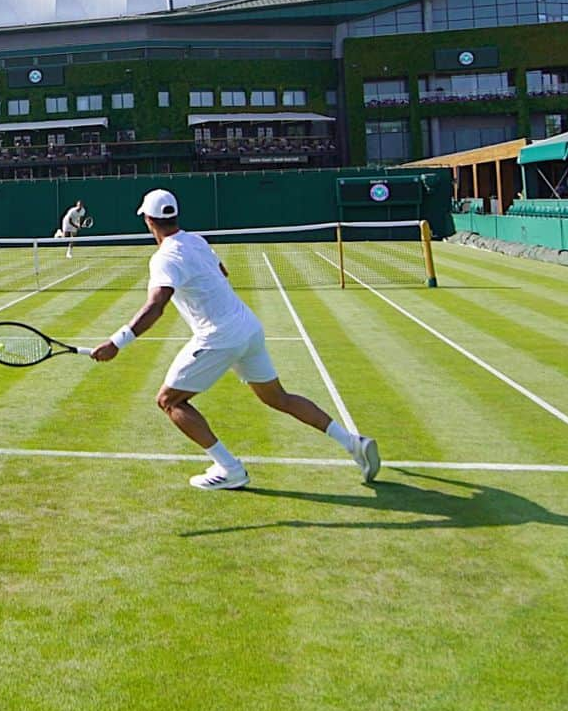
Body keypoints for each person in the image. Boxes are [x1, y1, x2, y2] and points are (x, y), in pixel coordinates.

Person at [91, 188, 380, 491]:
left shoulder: (164, 258)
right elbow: (222, 272)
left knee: (169, 400)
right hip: (247, 326)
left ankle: (230, 469)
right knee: (277, 397)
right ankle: (352, 443)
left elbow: (156, 305)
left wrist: (117, 342)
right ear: (173, 216)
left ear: (149, 221)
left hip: (219, 336)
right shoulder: (196, 241)